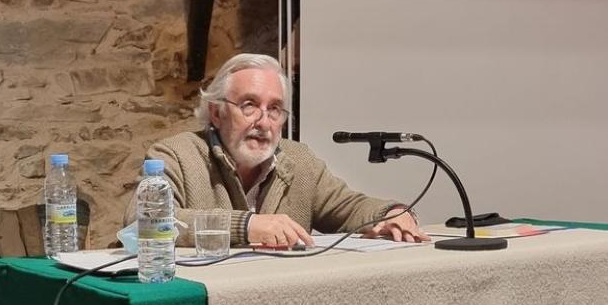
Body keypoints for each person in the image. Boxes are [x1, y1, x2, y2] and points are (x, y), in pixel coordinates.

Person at [124, 53, 428, 248]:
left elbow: (347, 207)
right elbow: (140, 223)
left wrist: (391, 213)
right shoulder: (175, 155)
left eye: (275, 109)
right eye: (249, 105)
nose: (264, 122)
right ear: (216, 113)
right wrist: (247, 226)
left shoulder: (297, 160)